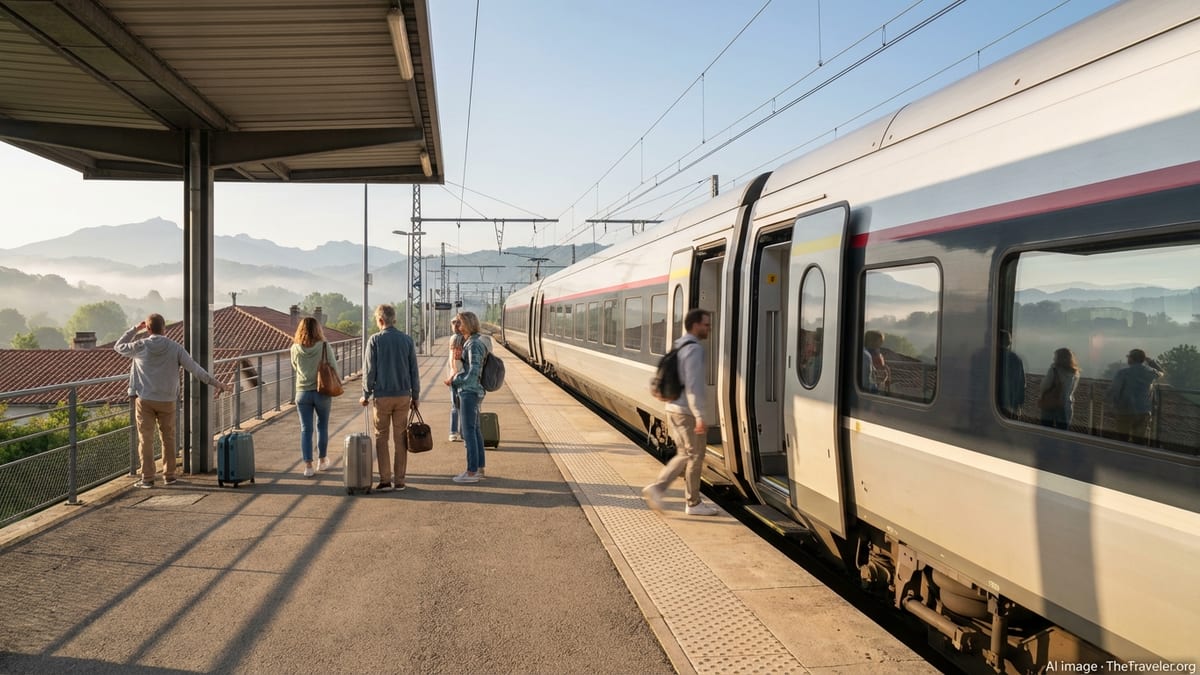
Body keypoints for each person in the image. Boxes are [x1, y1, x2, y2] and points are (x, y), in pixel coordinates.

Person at [115, 313, 231, 488]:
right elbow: (195, 369)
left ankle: (147, 478)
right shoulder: (175, 348)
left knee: (145, 440)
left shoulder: (140, 345)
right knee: (168, 438)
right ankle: (169, 476)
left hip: (145, 399)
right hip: (168, 400)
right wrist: (217, 383)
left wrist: (134, 330)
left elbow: (118, 346)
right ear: (165, 328)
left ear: (147, 328)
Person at [642, 308, 719, 516]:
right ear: (695, 325)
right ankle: (692, 503)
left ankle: (661, 489)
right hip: (687, 412)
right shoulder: (694, 349)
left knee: (685, 453)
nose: (709, 328)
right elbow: (693, 386)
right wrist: (700, 416)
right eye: (706, 324)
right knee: (694, 455)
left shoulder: (679, 344)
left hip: (673, 408)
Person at [360, 304, 420, 492]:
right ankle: (400, 480)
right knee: (400, 437)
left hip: (382, 397)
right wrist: (415, 395)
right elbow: (413, 371)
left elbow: (370, 371)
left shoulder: (375, 340)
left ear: (380, 320)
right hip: (403, 396)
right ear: (393, 319)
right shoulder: (407, 340)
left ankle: (385, 480)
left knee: (381, 437)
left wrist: (365, 394)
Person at [291, 317, 340, 478]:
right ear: (318, 329)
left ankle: (308, 466)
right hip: (322, 391)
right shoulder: (324, 346)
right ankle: (322, 460)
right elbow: (333, 366)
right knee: (322, 426)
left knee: (306, 429)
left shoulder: (295, 348)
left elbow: (295, 367)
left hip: (302, 393)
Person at [447, 311, 490, 483]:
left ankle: (471, 472)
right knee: (475, 430)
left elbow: (473, 371)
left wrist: (457, 381)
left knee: (468, 432)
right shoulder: (473, 342)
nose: (457, 325)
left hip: (469, 391)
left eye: (460, 322)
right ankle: (479, 468)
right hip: (473, 390)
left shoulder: (473, 345)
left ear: (468, 324)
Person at [1106, 348, 1164, 445]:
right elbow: (1161, 372)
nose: (1127, 359)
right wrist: (1150, 362)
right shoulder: (1150, 372)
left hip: (1124, 410)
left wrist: (1111, 405)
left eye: (1128, 357)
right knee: (1139, 441)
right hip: (1143, 411)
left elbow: (1114, 390)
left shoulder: (1123, 373)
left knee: (1122, 440)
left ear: (1132, 359)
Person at [1037, 347, 1079, 430]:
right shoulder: (1074, 373)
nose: (1053, 358)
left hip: (1051, 406)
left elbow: (1044, 386)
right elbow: (1071, 390)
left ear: (1059, 358)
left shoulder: (1054, 370)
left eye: (1055, 356)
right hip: (1066, 406)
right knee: (1062, 433)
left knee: (1046, 431)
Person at [997, 330, 1027, 418]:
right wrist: (1019, 403)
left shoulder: (989, 356)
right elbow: (1022, 383)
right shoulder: (1016, 359)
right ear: (1009, 343)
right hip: (1011, 403)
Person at [447, 317, 465, 442]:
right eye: (453, 322)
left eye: (457, 323)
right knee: (464, 405)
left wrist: (451, 376)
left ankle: (453, 432)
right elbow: (456, 361)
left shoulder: (455, 338)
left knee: (455, 405)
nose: (455, 325)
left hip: (455, 375)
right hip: (461, 376)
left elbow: (454, 361)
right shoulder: (461, 338)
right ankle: (463, 432)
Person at [862, 330, 890, 394]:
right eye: (880, 341)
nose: (881, 343)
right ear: (872, 341)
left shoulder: (875, 352)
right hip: (874, 383)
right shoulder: (868, 355)